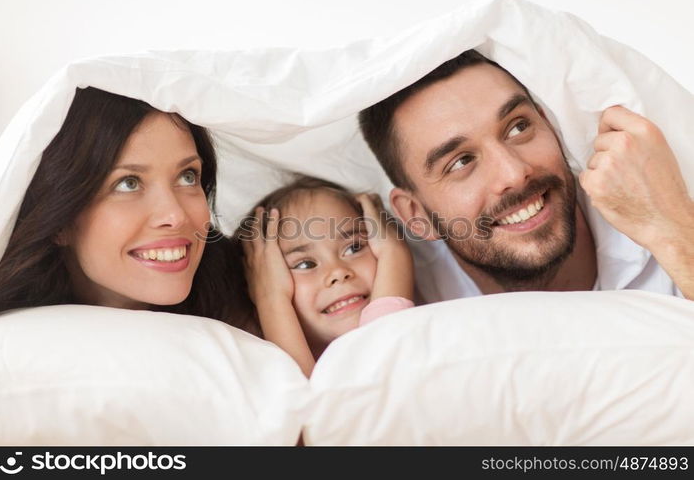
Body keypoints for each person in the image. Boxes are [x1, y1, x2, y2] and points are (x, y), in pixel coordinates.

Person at [359, 50, 693, 302]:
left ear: (550, 124)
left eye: (518, 127)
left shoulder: (667, 214)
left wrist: (673, 231)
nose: (515, 173)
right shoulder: (409, 299)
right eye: (460, 162)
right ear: (416, 216)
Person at [0, 87, 257, 334]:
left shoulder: (241, 286)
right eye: (128, 183)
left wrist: (272, 304)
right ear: (59, 220)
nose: (175, 216)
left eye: (188, 177)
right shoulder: (16, 340)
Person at [237, 175, 414, 376]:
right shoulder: (259, 379)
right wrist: (271, 299)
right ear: (262, 285)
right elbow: (310, 402)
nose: (337, 272)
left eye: (354, 248)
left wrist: (393, 253)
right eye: (305, 264)